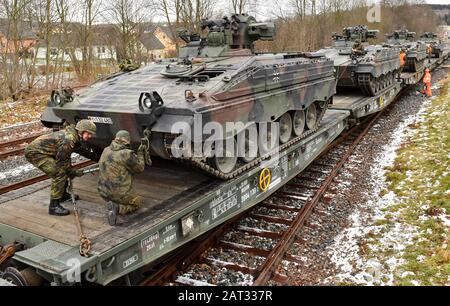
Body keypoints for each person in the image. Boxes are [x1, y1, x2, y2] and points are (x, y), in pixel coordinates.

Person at [24, 120, 97, 216]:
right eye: (89, 133)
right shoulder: (69, 139)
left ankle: (62, 195)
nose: (90, 136)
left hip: (48, 152)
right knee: (59, 173)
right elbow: (62, 163)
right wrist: (73, 172)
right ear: (81, 131)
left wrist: (98, 158)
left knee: (65, 170)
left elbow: (82, 150)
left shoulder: (74, 136)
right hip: (35, 153)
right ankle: (53, 206)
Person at [97, 130, 148, 225]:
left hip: (103, 192)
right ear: (127, 141)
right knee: (135, 202)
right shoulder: (126, 154)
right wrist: (140, 153)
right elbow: (140, 169)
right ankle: (118, 207)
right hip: (120, 194)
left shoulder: (105, 150)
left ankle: (112, 202)